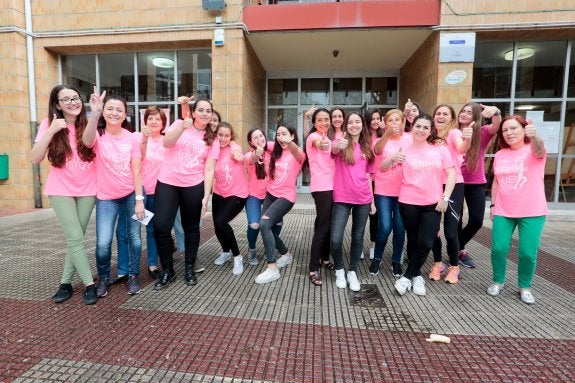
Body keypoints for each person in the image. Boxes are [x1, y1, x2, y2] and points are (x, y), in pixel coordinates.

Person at [31, 85, 98, 305]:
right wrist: (51, 131)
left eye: (75, 97)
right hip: (60, 189)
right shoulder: (48, 124)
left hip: (88, 189)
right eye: (66, 99)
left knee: (75, 238)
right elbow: (35, 158)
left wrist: (96, 113)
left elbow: (89, 143)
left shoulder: (89, 123)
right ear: (57, 105)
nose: (72, 102)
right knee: (75, 237)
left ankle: (65, 283)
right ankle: (89, 284)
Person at [83, 89, 145, 297]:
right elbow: (86, 141)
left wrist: (139, 200)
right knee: (103, 242)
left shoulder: (132, 138)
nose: (114, 113)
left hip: (130, 194)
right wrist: (95, 113)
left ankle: (133, 275)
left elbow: (136, 169)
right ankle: (103, 279)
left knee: (134, 237)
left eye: (119, 110)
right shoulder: (98, 135)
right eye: (110, 109)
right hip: (106, 198)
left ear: (125, 113)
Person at [153, 98, 219, 290]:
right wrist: (182, 127)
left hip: (193, 184)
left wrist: (207, 196)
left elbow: (209, 169)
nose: (205, 114)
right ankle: (168, 270)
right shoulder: (180, 124)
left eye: (208, 110)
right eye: (201, 110)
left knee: (192, 228)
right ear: (194, 111)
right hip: (168, 182)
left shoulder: (212, 138)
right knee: (161, 226)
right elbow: (166, 142)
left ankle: (189, 267)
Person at [394, 114, 455, 297]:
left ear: (430, 131)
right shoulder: (404, 149)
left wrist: (445, 197)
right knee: (413, 240)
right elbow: (386, 168)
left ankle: (406, 277)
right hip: (408, 201)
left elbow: (451, 174)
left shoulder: (440, 150)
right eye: (418, 126)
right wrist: (392, 159)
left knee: (426, 242)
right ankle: (417, 276)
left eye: (425, 127)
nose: (421, 130)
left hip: (433, 203)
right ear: (412, 127)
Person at [488, 116, 547, 305]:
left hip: (532, 210)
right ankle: (498, 281)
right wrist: (493, 205)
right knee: (498, 248)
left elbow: (539, 148)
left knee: (527, 252)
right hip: (503, 209)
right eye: (505, 130)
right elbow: (496, 181)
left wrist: (535, 136)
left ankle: (525, 287)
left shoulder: (533, 150)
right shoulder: (500, 155)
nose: (509, 133)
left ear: (524, 130)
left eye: (513, 128)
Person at [254, 125, 305, 284]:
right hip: (270, 194)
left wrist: (288, 141)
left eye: (285, 134)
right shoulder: (274, 149)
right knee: (266, 227)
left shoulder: (298, 155)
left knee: (264, 224)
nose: (281, 137)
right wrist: (255, 150)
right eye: (278, 134)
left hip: (286, 197)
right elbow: (259, 142)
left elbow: (296, 150)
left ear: (292, 135)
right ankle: (286, 255)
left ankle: (272, 268)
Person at [330, 112, 375, 291]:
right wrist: (338, 147)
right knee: (336, 238)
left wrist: (372, 200)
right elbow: (333, 151)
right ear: (346, 125)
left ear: (362, 125)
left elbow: (368, 175)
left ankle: (352, 271)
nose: (354, 125)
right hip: (342, 197)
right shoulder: (341, 142)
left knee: (358, 237)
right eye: (350, 122)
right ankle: (339, 269)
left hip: (363, 198)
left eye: (357, 122)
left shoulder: (366, 146)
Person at [429, 104, 472, 284]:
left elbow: (462, 149)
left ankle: (454, 266)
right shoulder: (430, 136)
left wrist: (468, 139)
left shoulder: (454, 133)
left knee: (451, 232)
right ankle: (438, 263)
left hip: (454, 185)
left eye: (445, 114)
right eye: (438, 113)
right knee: (432, 230)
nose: (441, 116)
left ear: (451, 118)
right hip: (433, 185)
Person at [457, 103, 502, 268]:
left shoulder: (482, 132)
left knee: (476, 220)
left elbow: (497, 125)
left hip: (475, 182)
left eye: (469, 112)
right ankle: (459, 250)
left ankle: (455, 245)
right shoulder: (453, 132)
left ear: (475, 116)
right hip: (455, 181)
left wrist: (495, 111)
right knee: (456, 220)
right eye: (463, 110)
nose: (464, 113)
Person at [370, 109, 412, 277]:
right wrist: (387, 136)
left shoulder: (410, 139)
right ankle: (377, 259)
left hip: (405, 190)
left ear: (403, 123)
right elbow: (379, 158)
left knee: (400, 228)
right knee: (385, 226)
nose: (394, 123)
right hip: (384, 190)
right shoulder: (380, 141)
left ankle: (396, 261)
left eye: (397, 120)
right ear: (385, 123)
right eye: (390, 121)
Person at [211, 122, 249, 275]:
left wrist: (237, 155)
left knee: (221, 221)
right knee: (217, 224)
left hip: (237, 193)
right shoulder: (212, 150)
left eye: (227, 135)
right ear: (215, 135)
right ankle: (225, 252)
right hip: (219, 192)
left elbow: (237, 152)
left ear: (231, 136)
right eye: (220, 135)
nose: (223, 138)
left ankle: (237, 256)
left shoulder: (234, 147)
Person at [306, 108, 337, 286]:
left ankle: (324, 259)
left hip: (331, 186)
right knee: (323, 227)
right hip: (322, 187)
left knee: (326, 224)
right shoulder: (314, 137)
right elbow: (317, 143)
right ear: (314, 123)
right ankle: (313, 267)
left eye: (327, 119)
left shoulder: (327, 137)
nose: (324, 122)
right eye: (320, 120)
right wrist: (323, 145)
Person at [244, 128, 282, 266]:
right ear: (250, 142)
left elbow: (278, 143)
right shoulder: (249, 155)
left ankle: (270, 248)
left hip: (271, 196)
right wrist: (257, 152)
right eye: (255, 137)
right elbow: (252, 158)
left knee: (277, 223)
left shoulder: (271, 152)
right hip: (253, 195)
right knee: (254, 225)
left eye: (261, 135)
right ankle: (252, 249)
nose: (260, 138)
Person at [140, 106, 167, 280]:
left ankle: (166, 258)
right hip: (145, 192)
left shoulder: (167, 141)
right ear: (145, 121)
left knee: (163, 228)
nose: (154, 121)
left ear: (163, 122)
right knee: (150, 230)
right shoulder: (140, 138)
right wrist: (144, 138)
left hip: (165, 192)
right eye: (150, 118)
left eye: (157, 119)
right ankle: (152, 264)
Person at [365, 108, 384, 260]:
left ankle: (373, 245)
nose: (376, 121)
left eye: (378, 118)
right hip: (364, 179)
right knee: (362, 213)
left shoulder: (383, 136)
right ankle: (357, 245)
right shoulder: (363, 138)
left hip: (380, 180)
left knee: (375, 215)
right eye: (373, 118)